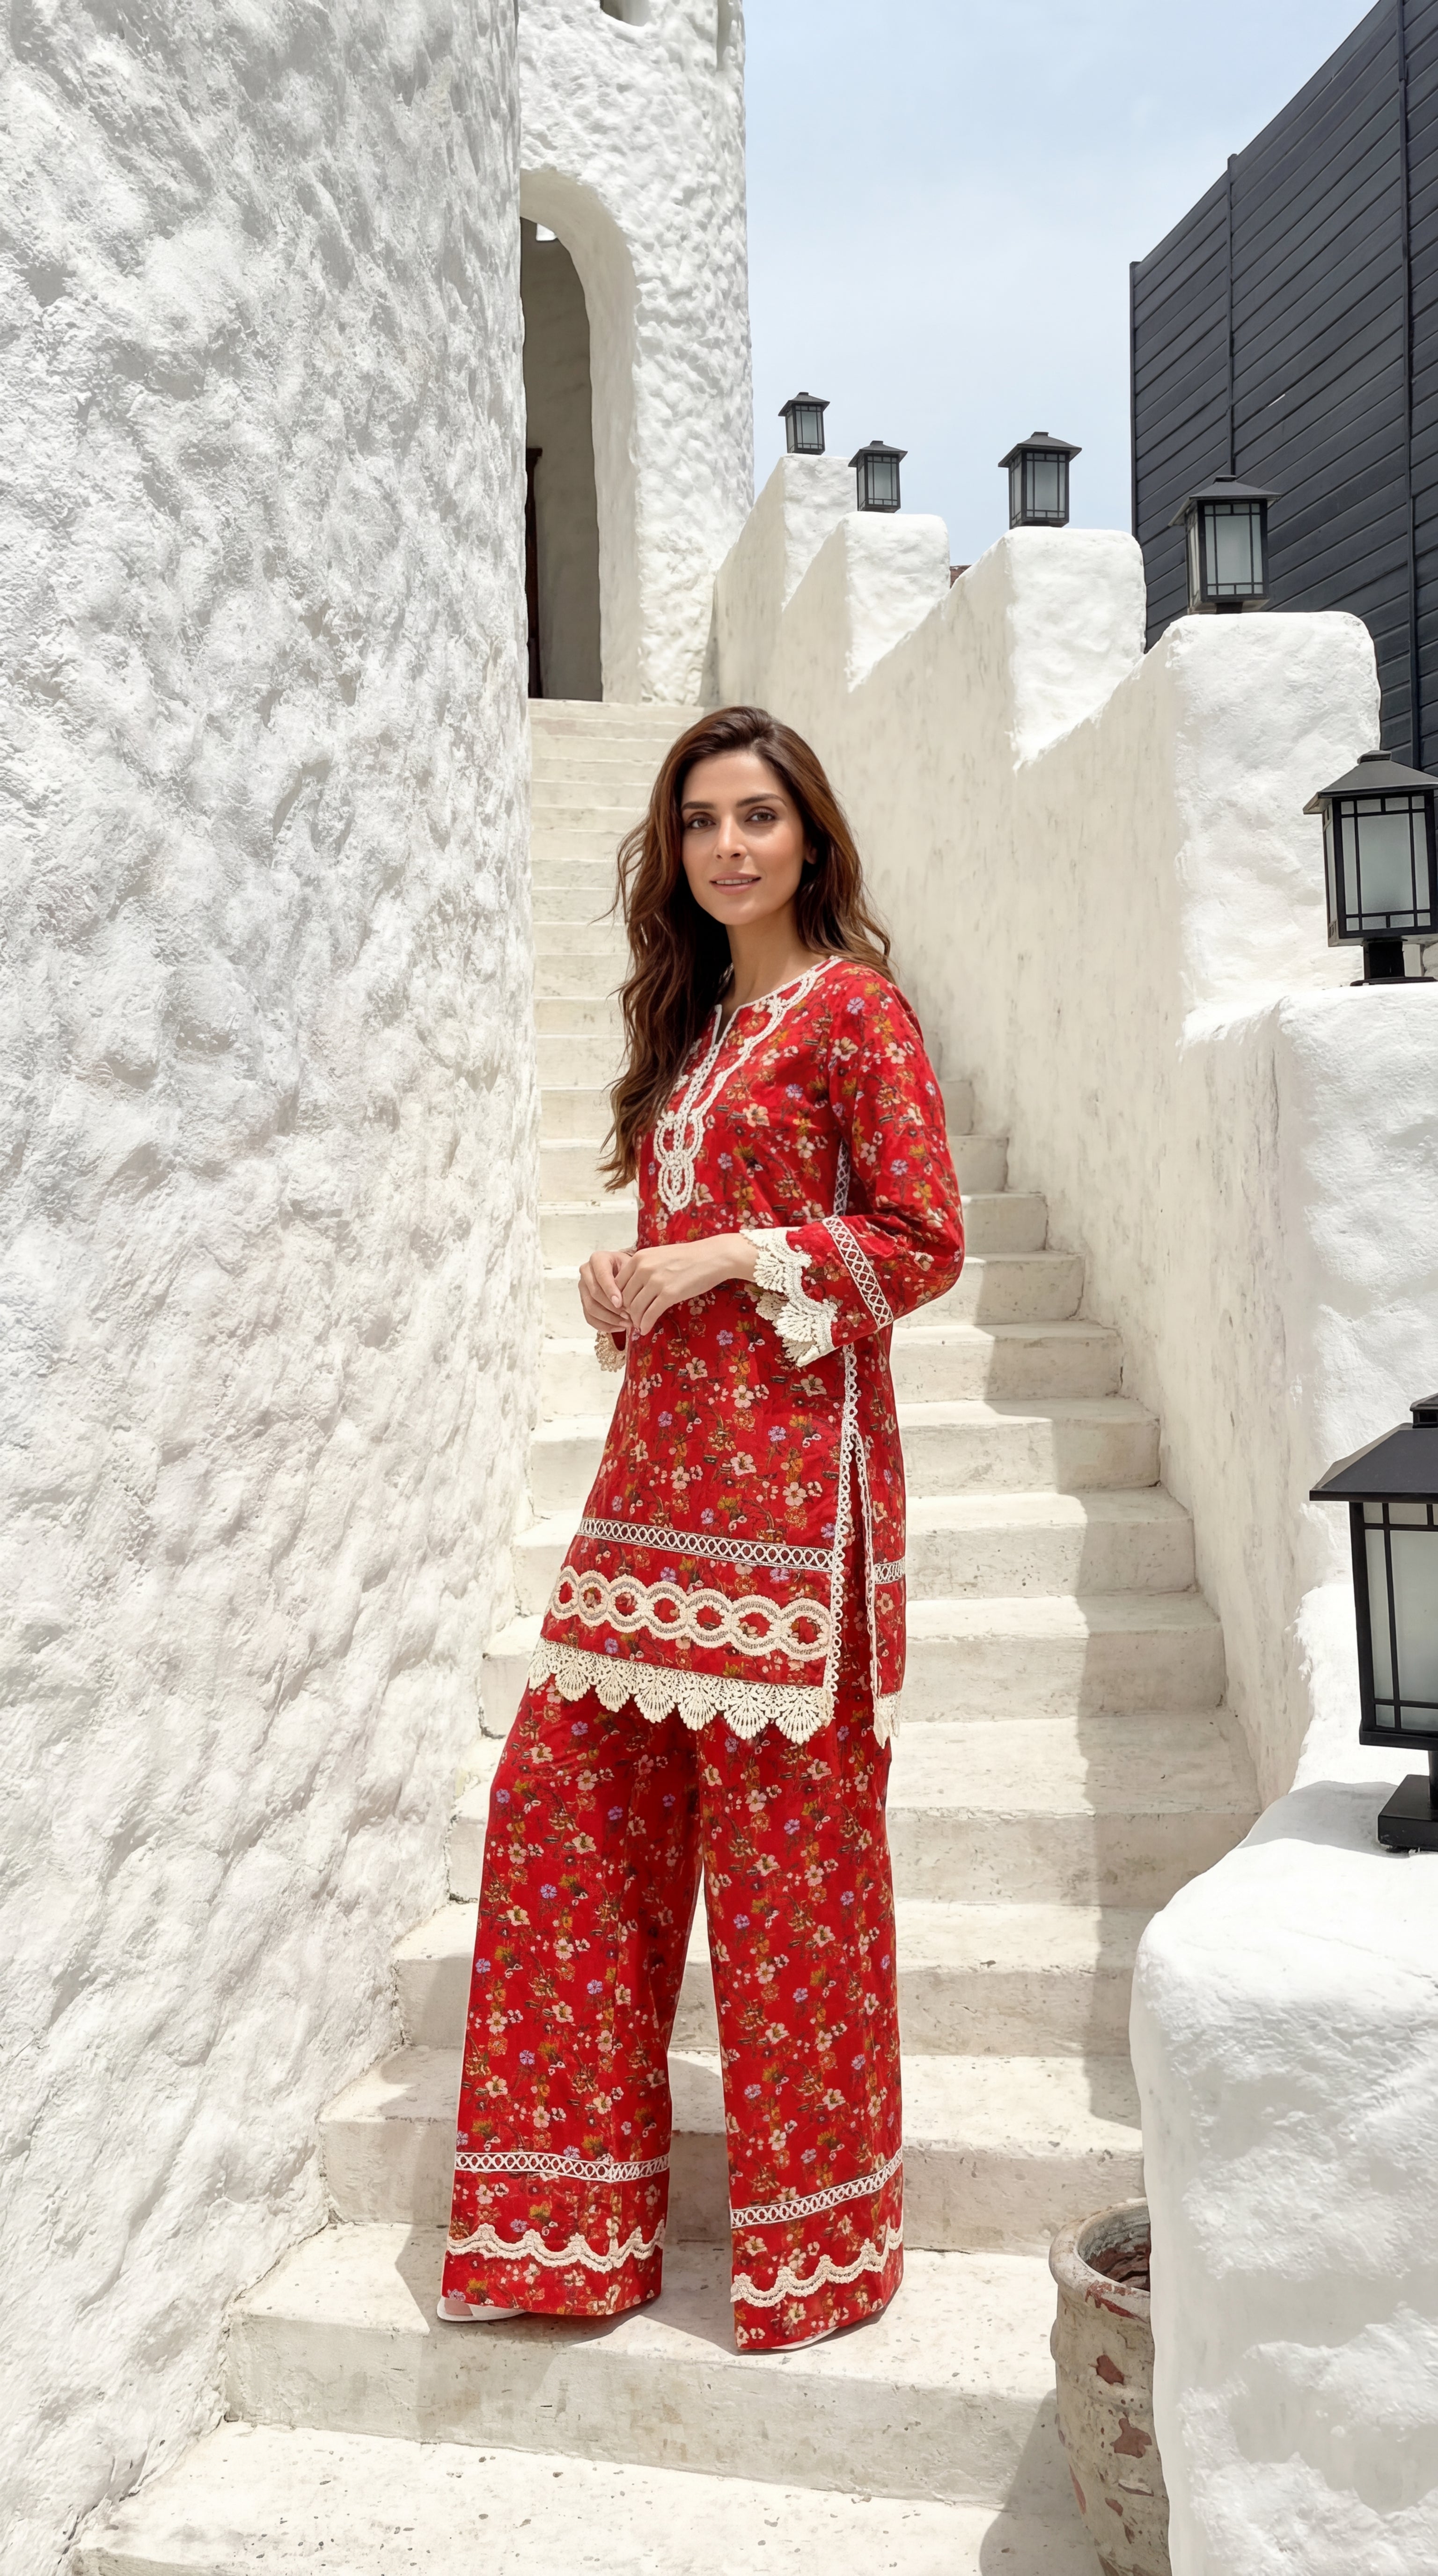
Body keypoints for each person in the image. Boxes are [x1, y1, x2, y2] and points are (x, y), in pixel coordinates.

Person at [439, 705, 964, 2352]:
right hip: (652, 1487)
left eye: (757, 817)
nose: (728, 848)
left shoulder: (855, 1014)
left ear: (810, 835)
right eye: (698, 824)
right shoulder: (692, 1036)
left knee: (790, 1880)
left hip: (791, 1517)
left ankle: (819, 2253)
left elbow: (923, 1240)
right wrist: (631, 1283)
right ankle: (559, 2236)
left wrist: (732, 1255)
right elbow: (688, 1265)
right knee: (556, 1818)